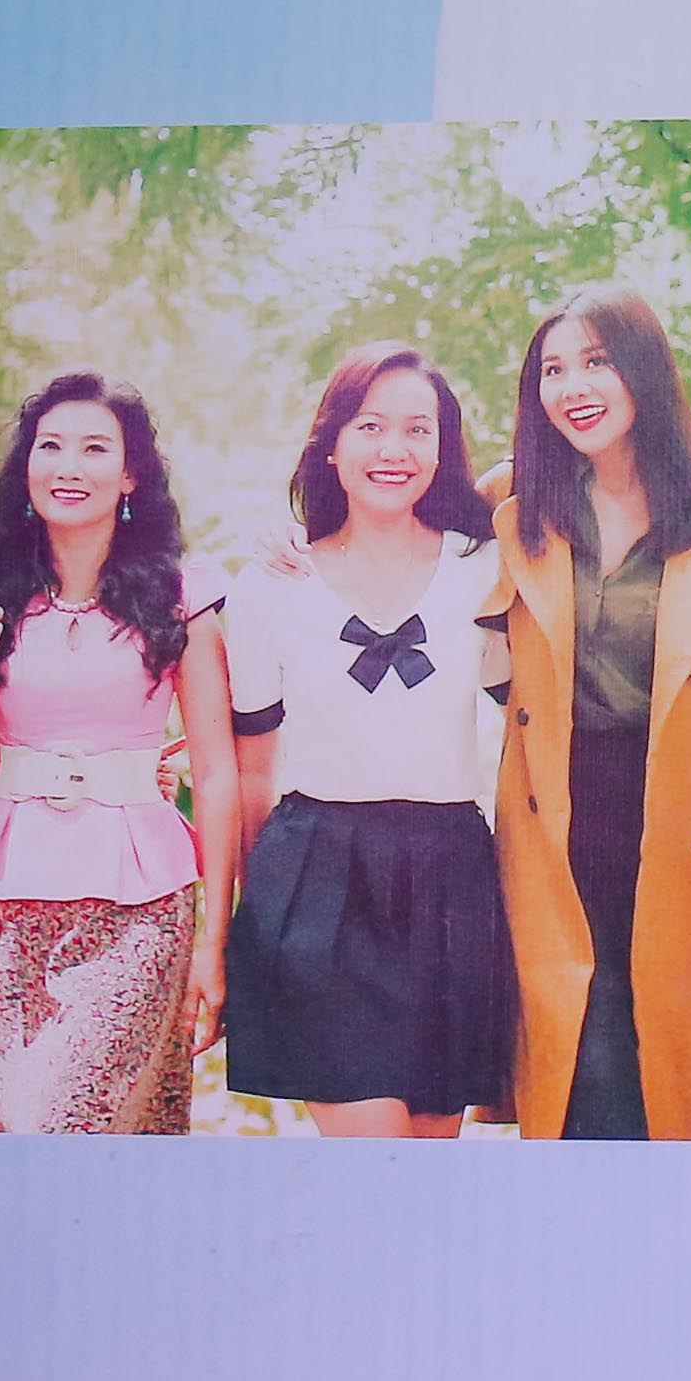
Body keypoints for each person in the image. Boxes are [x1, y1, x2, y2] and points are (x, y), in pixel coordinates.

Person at [492, 290, 691, 1142]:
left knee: (685, 1091)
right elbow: (389, 520)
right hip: (558, 827)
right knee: (579, 1077)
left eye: (597, 362)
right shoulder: (515, 510)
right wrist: (294, 543)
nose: (574, 388)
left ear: (644, 370)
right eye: (553, 370)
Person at [223, 345, 519, 1137]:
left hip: (452, 878)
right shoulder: (271, 583)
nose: (395, 449)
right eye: (370, 426)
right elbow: (250, 774)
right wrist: (264, 917)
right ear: (331, 444)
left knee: (427, 1165)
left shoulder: (485, 570)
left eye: (418, 430)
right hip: (320, 876)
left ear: (443, 448)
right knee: (372, 1158)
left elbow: (534, 717)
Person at [0, 373, 236, 1135]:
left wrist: (216, 944)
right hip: (4, 912)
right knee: (9, 1134)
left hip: (140, 909)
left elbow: (216, 775)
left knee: (76, 1124)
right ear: (26, 466)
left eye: (95, 449)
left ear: (131, 475)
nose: (69, 467)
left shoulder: (182, 597)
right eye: (51, 447)